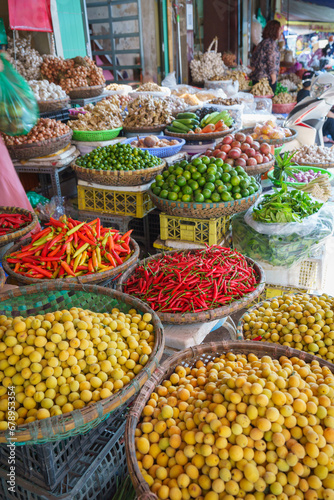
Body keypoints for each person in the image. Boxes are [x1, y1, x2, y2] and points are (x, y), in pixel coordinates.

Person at [250, 20, 282, 93]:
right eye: (279, 30)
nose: (280, 32)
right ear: (274, 31)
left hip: (256, 78)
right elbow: (271, 61)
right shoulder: (271, 44)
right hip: (266, 80)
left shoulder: (262, 43)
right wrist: (273, 76)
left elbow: (253, 59)